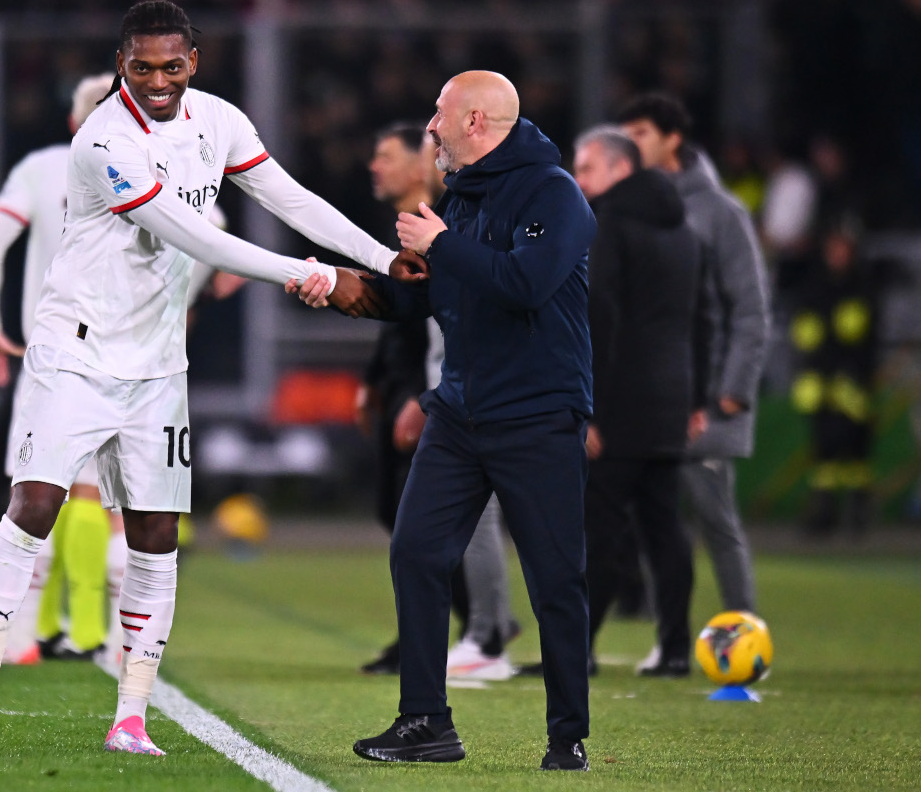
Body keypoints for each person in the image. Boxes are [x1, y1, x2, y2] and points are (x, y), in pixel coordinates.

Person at [0, 0, 423, 755]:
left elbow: (286, 195)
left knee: (155, 534)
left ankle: (131, 715)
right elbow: (196, 236)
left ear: (193, 60)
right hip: (75, 350)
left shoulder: (218, 122)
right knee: (34, 504)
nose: (158, 80)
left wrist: (375, 257)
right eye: (142, 67)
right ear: (121, 65)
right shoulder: (103, 141)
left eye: (172, 65)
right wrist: (315, 277)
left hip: (159, 364)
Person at [295, 70, 595, 770]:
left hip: (537, 413)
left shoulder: (554, 193)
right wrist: (342, 289)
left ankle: (566, 736)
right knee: (416, 551)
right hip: (459, 411)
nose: (430, 126)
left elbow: (526, 283)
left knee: (556, 577)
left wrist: (440, 245)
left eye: (439, 114)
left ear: (476, 124)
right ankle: (426, 720)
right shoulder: (457, 200)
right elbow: (417, 302)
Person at [357, 124, 519, 680]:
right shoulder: (445, 217)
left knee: (479, 521)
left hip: (470, 390)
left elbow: (475, 309)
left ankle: (490, 634)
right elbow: (417, 310)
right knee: (442, 524)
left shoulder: (467, 215)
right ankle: (482, 632)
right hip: (448, 388)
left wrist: (426, 396)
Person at [0, 72, 116, 666]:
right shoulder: (162, 168)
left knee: (31, 495)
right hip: (128, 359)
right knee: (101, 500)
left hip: (53, 353)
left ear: (74, 122)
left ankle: (17, 637)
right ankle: (95, 632)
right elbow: (215, 243)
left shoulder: (43, 167)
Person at [619, 93, 770, 628]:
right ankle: (668, 638)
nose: (629, 144)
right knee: (643, 516)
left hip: (702, 396)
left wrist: (730, 389)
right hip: (647, 391)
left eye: (639, 133)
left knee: (713, 518)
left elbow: (749, 308)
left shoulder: (720, 211)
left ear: (671, 138)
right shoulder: (631, 205)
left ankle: (745, 630)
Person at [570, 126, 708, 677]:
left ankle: (577, 650)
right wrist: (694, 395)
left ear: (620, 169)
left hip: (620, 398)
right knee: (664, 526)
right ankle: (675, 647)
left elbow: (601, 316)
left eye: (587, 168)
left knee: (597, 528)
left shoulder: (610, 225)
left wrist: (589, 405)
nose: (578, 180)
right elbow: (699, 318)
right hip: (671, 396)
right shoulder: (684, 231)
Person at [789, 220, 878, 534]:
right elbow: (805, 332)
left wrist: (852, 376)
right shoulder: (816, 285)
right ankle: (823, 511)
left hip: (852, 381)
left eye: (843, 248)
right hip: (821, 380)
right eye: (833, 247)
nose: (837, 253)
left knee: (855, 445)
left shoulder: (863, 284)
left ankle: (858, 510)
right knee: (823, 446)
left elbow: (859, 333)